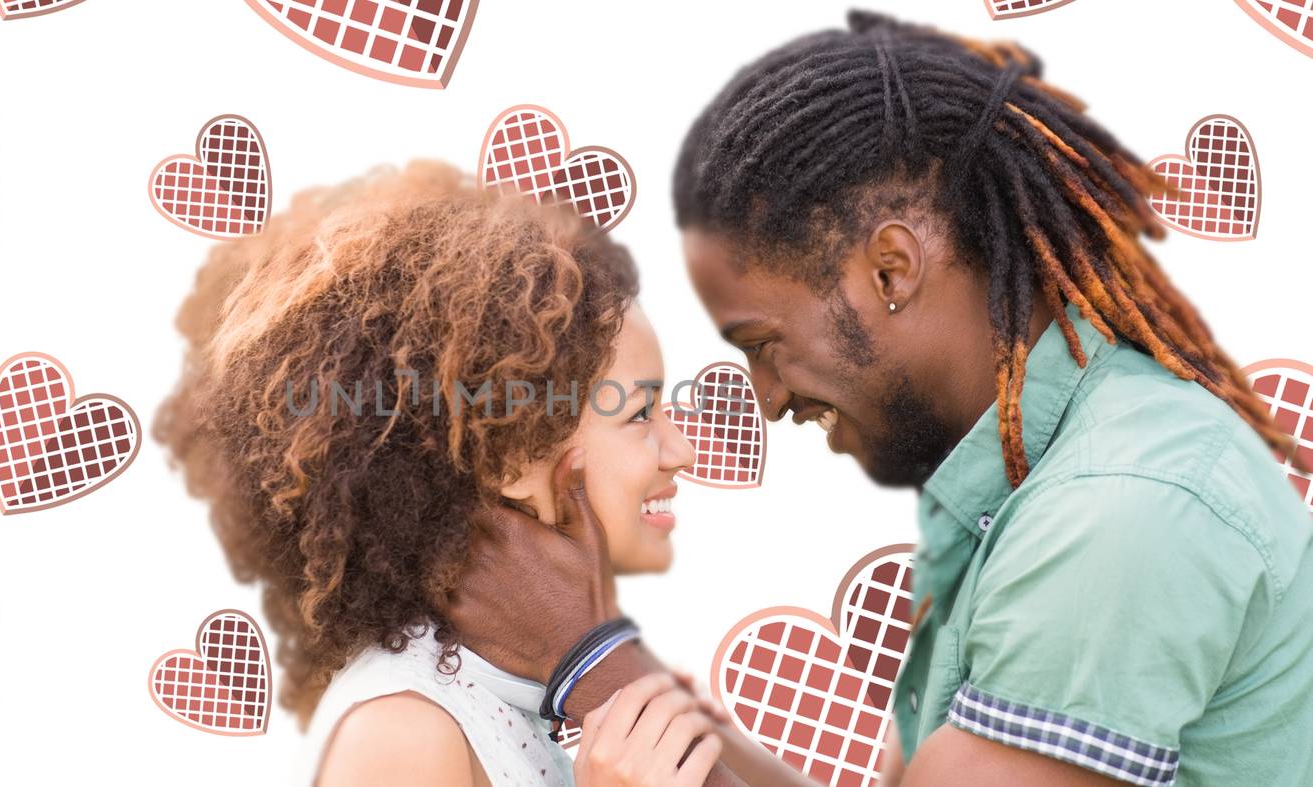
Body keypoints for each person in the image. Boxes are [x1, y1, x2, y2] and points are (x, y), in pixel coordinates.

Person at [446, 12, 1313, 787]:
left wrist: (591, 664)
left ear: (891, 271)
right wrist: (599, 649)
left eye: (763, 345)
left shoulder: (1120, 512)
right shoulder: (1032, 485)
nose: (769, 401)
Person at [154, 160, 727, 786]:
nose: (683, 451)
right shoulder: (404, 732)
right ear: (510, 456)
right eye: (639, 413)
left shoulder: (514, 697)